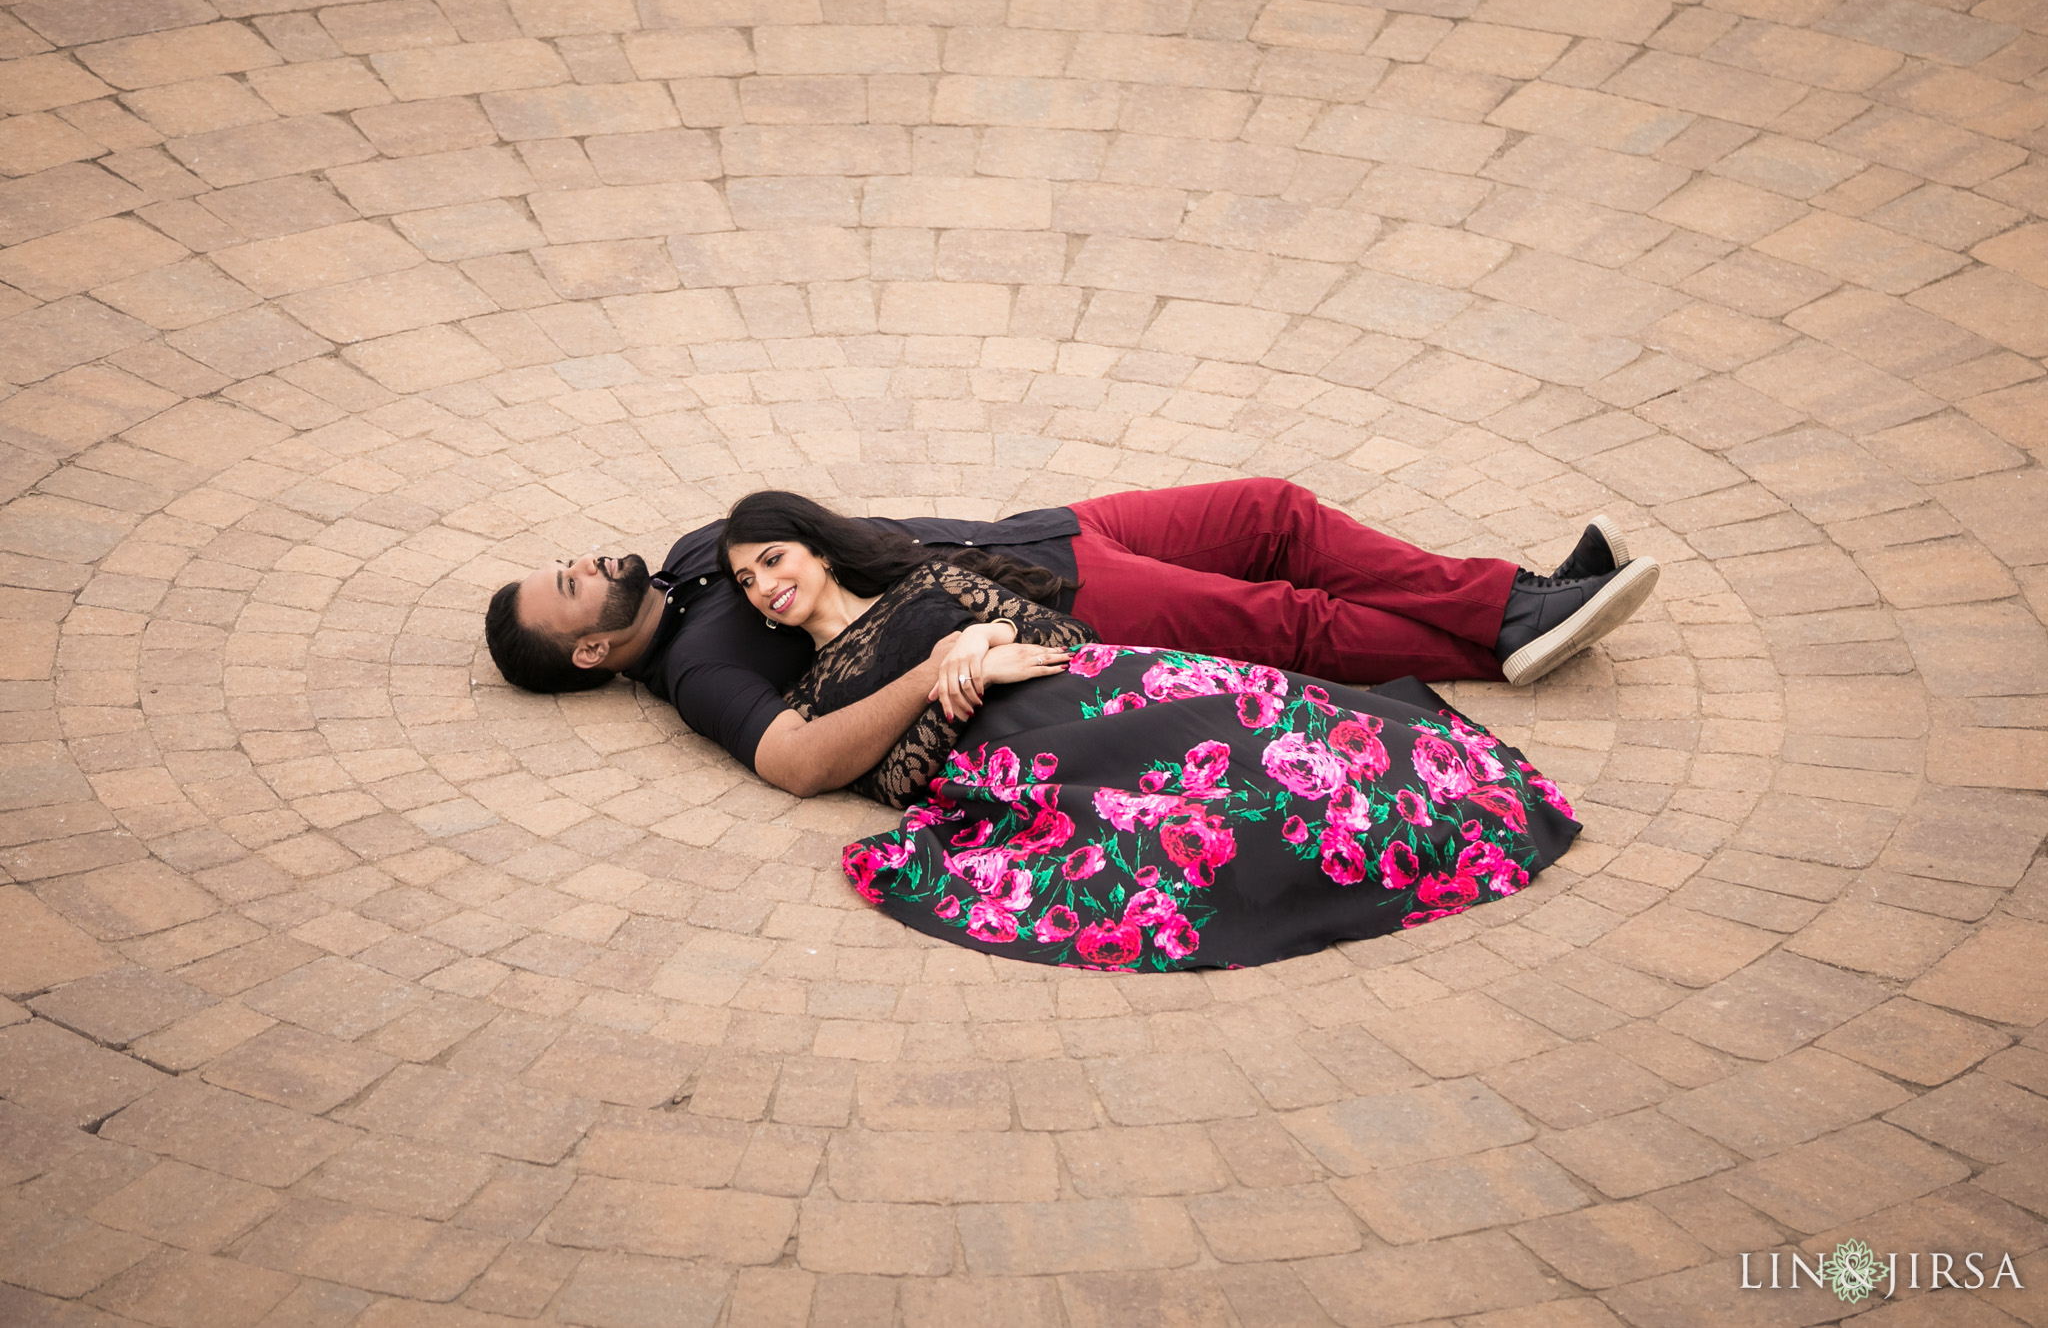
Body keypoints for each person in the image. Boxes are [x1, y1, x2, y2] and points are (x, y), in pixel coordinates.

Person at [713, 491, 1581, 971]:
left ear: (817, 549)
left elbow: (1052, 636)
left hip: (1094, 686)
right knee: (1225, 829)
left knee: (1288, 728)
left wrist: (981, 641)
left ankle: (1514, 614)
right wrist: (947, 676)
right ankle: (1516, 619)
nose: (763, 584)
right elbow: (895, 776)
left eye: (773, 558)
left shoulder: (929, 577)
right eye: (747, 580)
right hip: (1018, 762)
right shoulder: (819, 690)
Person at [484, 478, 1659, 798]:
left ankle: (1512, 596)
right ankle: (1508, 630)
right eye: (565, 589)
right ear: (587, 654)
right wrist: (945, 669)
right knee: (1283, 625)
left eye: (563, 560)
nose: (580, 563)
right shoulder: (699, 670)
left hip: (1040, 532)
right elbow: (794, 761)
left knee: (1272, 512)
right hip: (1054, 606)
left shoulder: (687, 572)